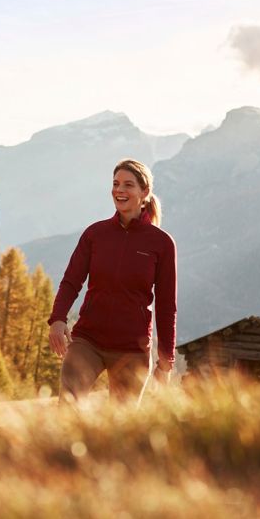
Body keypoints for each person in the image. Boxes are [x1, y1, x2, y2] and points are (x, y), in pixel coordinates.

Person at [47, 158, 177, 404]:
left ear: (144, 192)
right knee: (68, 406)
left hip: (132, 348)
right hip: (88, 340)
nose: (119, 190)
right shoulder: (95, 234)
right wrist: (58, 318)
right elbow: (71, 281)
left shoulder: (161, 243)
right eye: (116, 184)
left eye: (128, 185)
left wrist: (166, 360)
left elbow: (166, 305)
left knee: (122, 421)